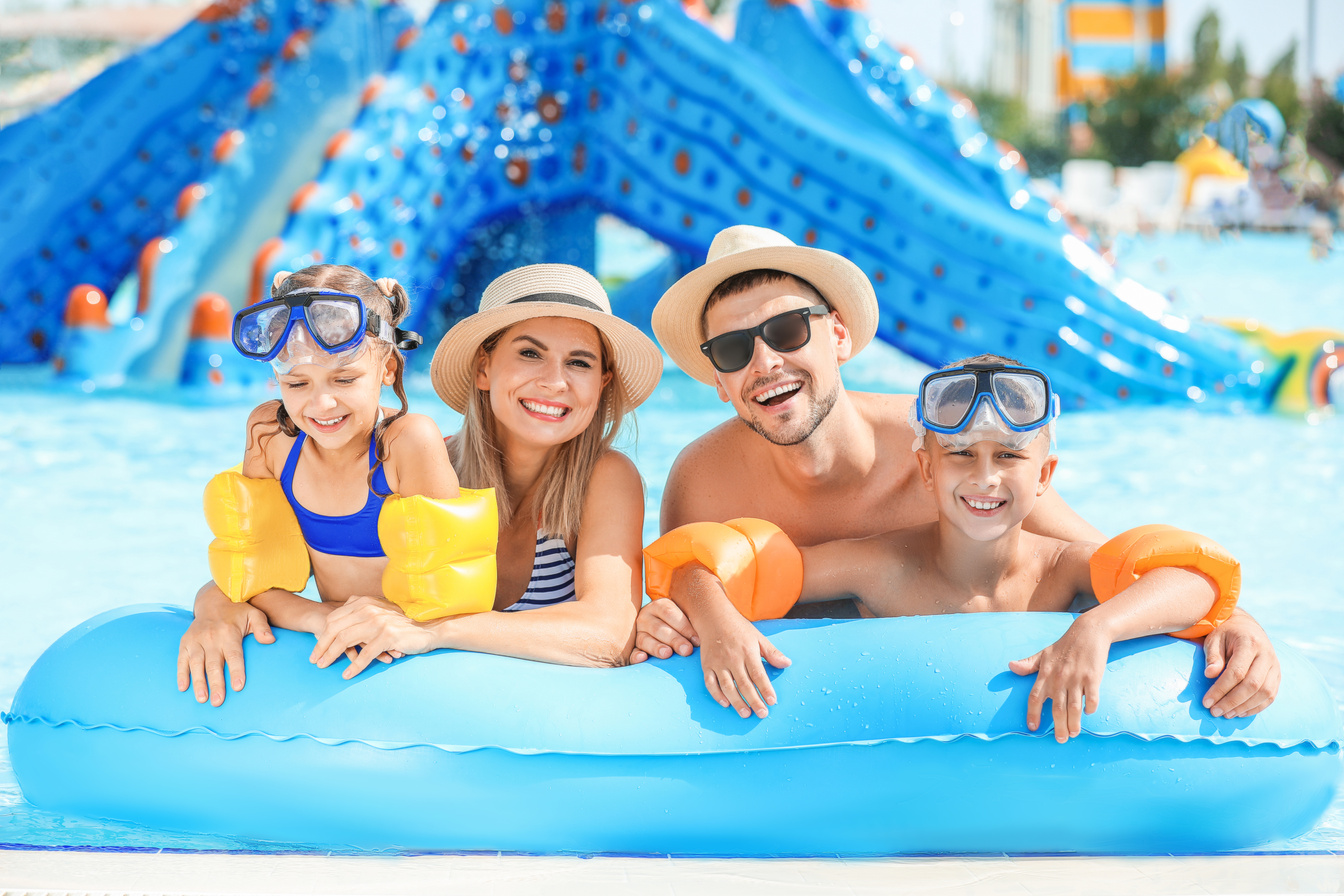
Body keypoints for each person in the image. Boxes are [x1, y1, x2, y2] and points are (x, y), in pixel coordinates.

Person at [633, 224, 1281, 721]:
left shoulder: (952, 447)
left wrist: (1230, 617)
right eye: (735, 349)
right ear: (718, 379)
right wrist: (690, 611)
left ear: (837, 336)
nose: (766, 362)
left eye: (787, 331)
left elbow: (1099, 560)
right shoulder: (703, 480)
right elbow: (682, 589)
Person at [645, 356, 1238, 741]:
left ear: (1045, 476)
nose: (984, 479)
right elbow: (731, 567)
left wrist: (1096, 630)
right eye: (960, 456)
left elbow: (1192, 577)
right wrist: (714, 613)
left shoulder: (1062, 569)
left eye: (1008, 456)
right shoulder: (878, 565)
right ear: (925, 471)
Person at [304, 263, 662, 675]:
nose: (555, 382)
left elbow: (608, 635)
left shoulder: (605, 479)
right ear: (483, 368)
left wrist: (438, 630)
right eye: (530, 353)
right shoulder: (416, 465)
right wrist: (217, 600)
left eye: (579, 363)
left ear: (602, 383)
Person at [179, 264, 459, 704]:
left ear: (387, 368)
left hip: (415, 652)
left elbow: (455, 594)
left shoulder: (409, 443)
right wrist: (316, 617)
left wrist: (341, 619)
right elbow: (252, 577)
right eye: (297, 382)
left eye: (345, 379)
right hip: (333, 639)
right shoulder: (270, 437)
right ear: (277, 378)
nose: (321, 404)